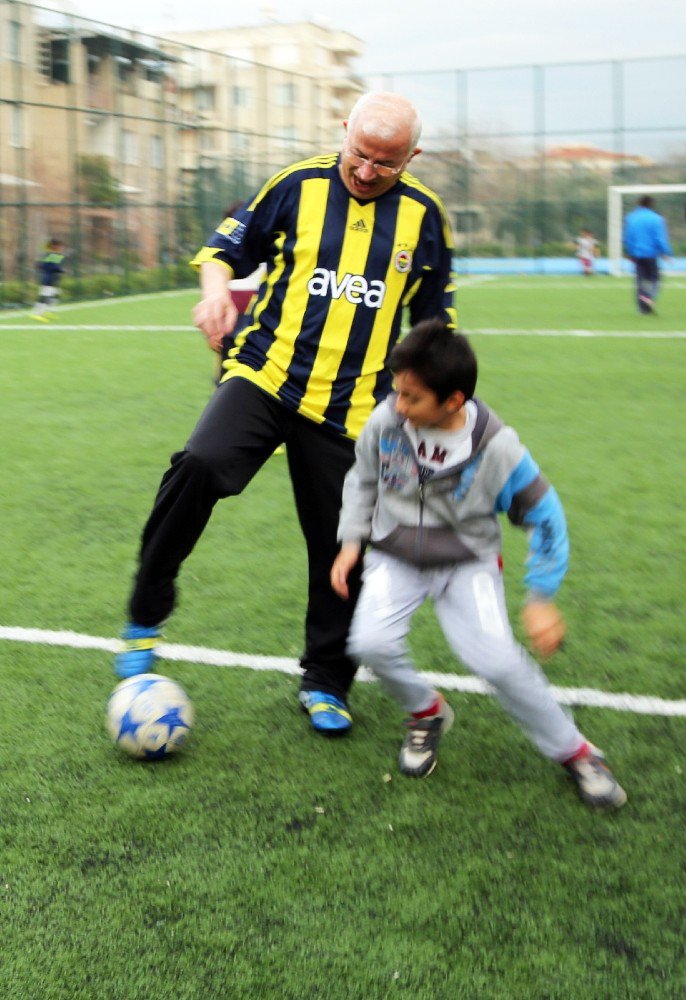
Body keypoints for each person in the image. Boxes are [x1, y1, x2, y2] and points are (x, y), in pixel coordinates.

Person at [114, 91, 456, 737]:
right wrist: (215, 297)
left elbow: (434, 321)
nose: (365, 170)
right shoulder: (296, 185)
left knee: (340, 547)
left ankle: (326, 680)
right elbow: (225, 250)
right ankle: (145, 613)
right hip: (266, 376)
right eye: (359, 153)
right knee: (199, 464)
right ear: (343, 132)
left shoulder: (425, 217)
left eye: (385, 163)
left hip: (354, 409)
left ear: (411, 157)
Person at [330, 319, 626, 809]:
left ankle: (577, 752)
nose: (398, 406)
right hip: (395, 556)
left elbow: (545, 517)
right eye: (397, 392)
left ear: (454, 400)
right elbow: (362, 478)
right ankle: (426, 711)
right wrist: (351, 541)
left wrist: (540, 597)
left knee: (497, 660)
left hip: (468, 562)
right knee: (370, 643)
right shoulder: (387, 421)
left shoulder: (498, 449)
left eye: (412, 398)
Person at [623, 196, 672, 314]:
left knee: (640, 280)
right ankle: (649, 297)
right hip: (650, 254)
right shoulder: (656, 218)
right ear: (651, 204)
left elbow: (628, 237)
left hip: (637, 254)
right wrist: (665, 252)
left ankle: (643, 309)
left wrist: (629, 252)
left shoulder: (631, 218)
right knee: (654, 278)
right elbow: (659, 237)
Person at [30, 239, 66, 321]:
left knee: (55, 295)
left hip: (53, 279)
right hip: (48, 279)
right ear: (53, 246)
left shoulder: (54, 255)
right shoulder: (51, 255)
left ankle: (47, 311)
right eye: (59, 246)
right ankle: (37, 314)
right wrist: (61, 270)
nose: (61, 247)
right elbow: (51, 266)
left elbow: (41, 265)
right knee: (44, 296)